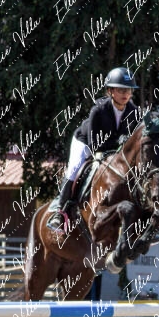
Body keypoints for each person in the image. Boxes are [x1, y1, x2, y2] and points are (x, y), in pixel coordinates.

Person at [47, 67, 139, 233]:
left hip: (114, 150)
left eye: (129, 90)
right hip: (85, 142)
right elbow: (95, 144)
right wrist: (119, 142)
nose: (126, 94)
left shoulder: (133, 111)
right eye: (121, 90)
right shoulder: (98, 110)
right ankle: (59, 212)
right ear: (110, 91)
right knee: (75, 169)